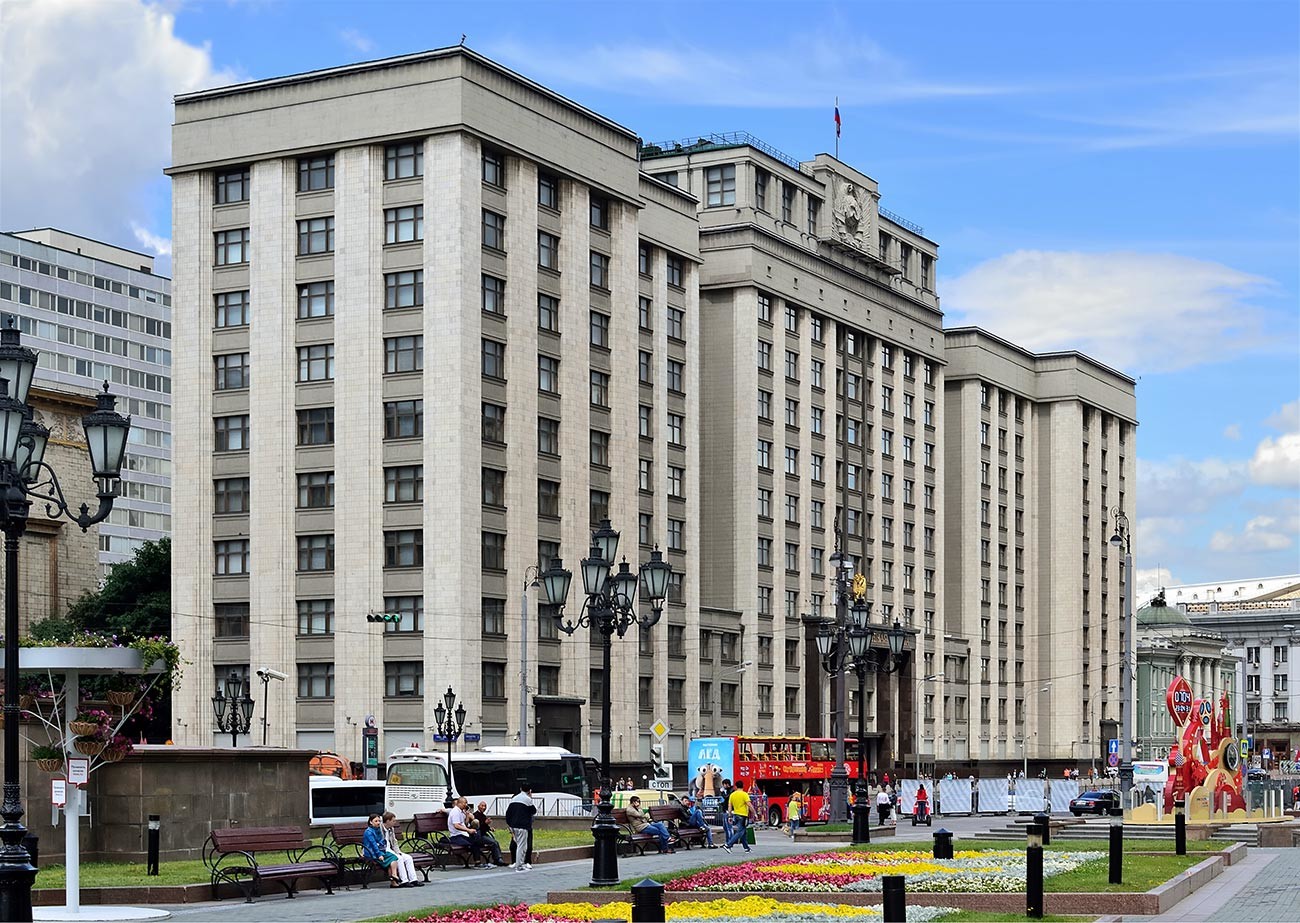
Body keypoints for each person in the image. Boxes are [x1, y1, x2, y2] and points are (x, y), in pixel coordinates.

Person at [449, 796, 505, 868]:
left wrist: (467, 816)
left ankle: (479, 862)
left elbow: (465, 824)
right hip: (456, 836)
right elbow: (456, 825)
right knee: (475, 842)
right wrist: (469, 830)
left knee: (476, 841)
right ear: (460, 803)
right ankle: (478, 862)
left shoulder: (461, 812)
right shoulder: (455, 812)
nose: (466, 805)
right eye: (465, 803)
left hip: (464, 834)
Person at [363, 813, 414, 888]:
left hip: (380, 851)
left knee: (394, 859)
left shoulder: (378, 830)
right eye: (376, 821)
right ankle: (397, 879)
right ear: (371, 822)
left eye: (379, 821)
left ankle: (394, 877)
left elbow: (382, 841)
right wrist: (379, 854)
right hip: (372, 853)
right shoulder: (369, 832)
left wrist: (396, 851)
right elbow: (373, 844)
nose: (378, 823)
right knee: (393, 859)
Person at [381, 812, 424, 886]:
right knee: (399, 858)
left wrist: (398, 851)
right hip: (384, 850)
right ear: (388, 821)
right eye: (393, 821)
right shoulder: (380, 829)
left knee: (408, 858)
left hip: (391, 850)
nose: (395, 822)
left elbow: (394, 842)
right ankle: (404, 880)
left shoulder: (391, 829)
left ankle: (413, 879)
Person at [505, 782, 536, 871]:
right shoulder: (527, 799)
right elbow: (533, 811)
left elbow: (508, 813)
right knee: (522, 846)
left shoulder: (514, 798)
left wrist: (510, 824)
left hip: (513, 825)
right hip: (522, 826)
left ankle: (519, 864)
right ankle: (519, 865)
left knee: (521, 845)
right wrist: (530, 797)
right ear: (529, 790)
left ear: (520, 789)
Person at [723, 781, 751, 853]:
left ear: (736, 786)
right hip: (743, 815)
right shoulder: (744, 794)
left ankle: (746, 848)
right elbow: (749, 804)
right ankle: (728, 845)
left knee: (743, 832)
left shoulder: (732, 795)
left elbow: (729, 806)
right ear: (743, 786)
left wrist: (729, 816)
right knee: (740, 831)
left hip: (735, 814)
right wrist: (755, 813)